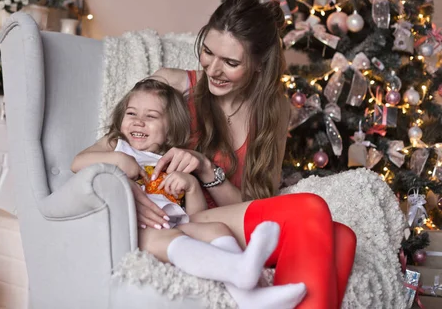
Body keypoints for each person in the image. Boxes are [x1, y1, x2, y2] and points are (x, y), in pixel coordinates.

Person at [128, 0, 357, 309]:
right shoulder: (172, 86)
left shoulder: (274, 109)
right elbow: (109, 148)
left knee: (343, 237)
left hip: (227, 219)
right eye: (208, 52)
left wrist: (207, 170)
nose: (213, 69)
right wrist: (131, 194)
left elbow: (257, 206)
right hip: (183, 218)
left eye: (231, 62)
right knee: (310, 208)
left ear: (260, 64)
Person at [72, 78, 307, 309]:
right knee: (166, 238)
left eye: (151, 116)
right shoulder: (116, 144)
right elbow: (78, 163)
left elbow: (196, 216)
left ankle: (250, 293)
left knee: (215, 228)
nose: (139, 122)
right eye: (131, 114)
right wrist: (120, 161)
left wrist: (191, 186)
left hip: (174, 224)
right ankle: (239, 271)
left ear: (170, 129)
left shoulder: (174, 161)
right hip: (134, 230)